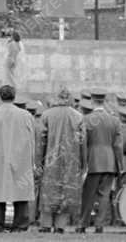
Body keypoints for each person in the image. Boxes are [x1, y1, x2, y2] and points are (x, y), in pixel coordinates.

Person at [0, 84, 34, 233]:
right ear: (14, 96)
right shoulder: (25, 115)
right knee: (20, 191)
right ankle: (20, 225)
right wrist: (31, 160)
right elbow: (31, 140)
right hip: (20, 156)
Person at [35, 88, 84, 234]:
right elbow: (82, 142)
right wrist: (83, 162)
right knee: (66, 191)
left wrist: (38, 162)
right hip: (71, 160)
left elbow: (41, 141)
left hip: (50, 158)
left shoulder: (47, 115)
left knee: (48, 190)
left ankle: (45, 224)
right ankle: (60, 226)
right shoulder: (78, 116)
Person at [76, 89, 121, 234]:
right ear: (104, 101)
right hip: (109, 161)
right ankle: (99, 225)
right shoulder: (114, 120)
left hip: (92, 161)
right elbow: (118, 145)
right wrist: (119, 164)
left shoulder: (86, 119)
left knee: (88, 194)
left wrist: (82, 164)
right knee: (104, 195)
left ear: (92, 101)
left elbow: (82, 143)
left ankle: (83, 223)